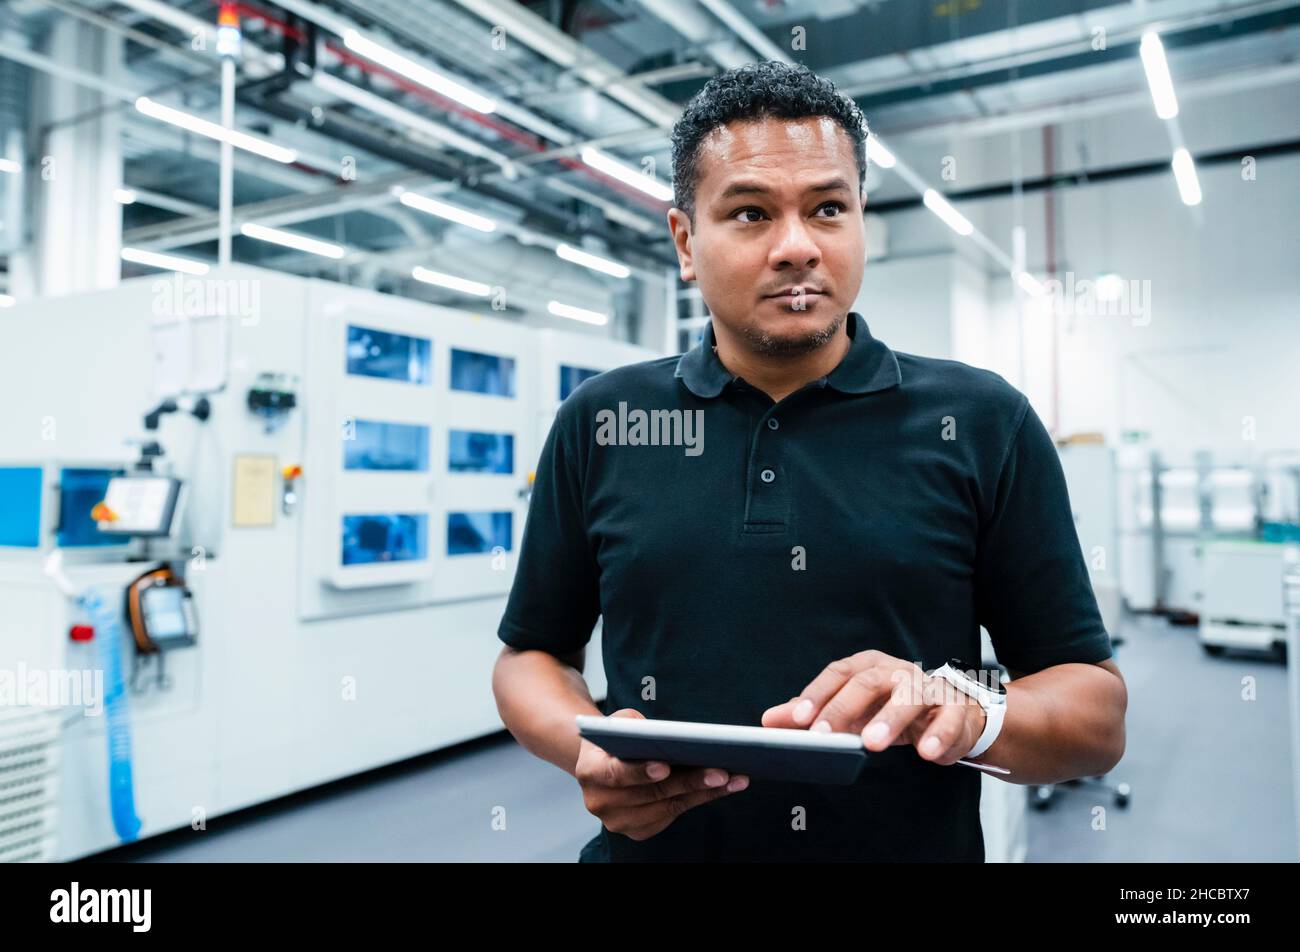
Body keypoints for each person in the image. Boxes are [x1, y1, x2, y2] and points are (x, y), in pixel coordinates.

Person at [492, 61, 1126, 862]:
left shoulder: (982, 421)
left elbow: (1095, 716)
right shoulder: (605, 421)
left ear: (861, 222)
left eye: (828, 208)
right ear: (687, 243)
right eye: (751, 213)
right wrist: (581, 744)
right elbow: (530, 657)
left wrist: (970, 709)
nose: (797, 247)